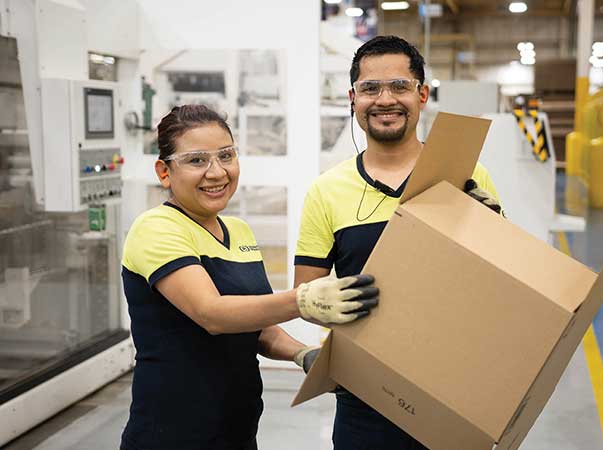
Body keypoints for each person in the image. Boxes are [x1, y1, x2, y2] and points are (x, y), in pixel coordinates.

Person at [119, 105, 379, 450]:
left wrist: (302, 354)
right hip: (171, 432)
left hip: (236, 431)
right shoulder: (156, 228)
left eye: (226, 156)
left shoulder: (238, 231)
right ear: (164, 172)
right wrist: (301, 300)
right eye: (197, 160)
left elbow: (258, 329)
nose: (217, 172)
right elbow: (211, 313)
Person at [293, 36, 503, 450]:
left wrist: (492, 228)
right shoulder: (326, 191)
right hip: (365, 393)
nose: (384, 99)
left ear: (422, 95)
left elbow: (500, 286)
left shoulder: (465, 174)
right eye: (370, 88)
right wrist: (327, 302)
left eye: (400, 86)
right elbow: (306, 293)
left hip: (455, 386)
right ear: (353, 98)